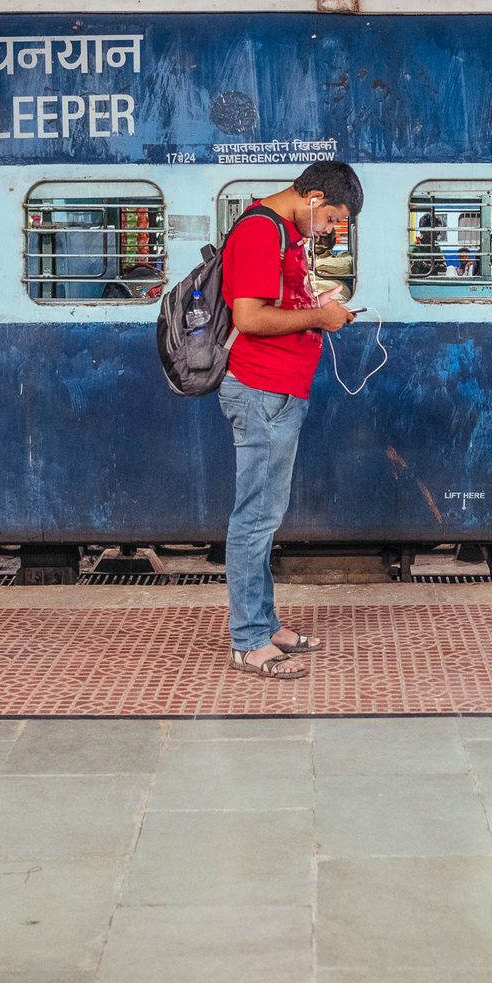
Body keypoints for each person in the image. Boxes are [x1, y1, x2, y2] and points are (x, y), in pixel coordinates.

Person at [218, 161, 363, 679]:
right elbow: (250, 317)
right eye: (331, 219)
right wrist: (319, 317)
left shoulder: (283, 232)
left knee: (266, 515)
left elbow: (275, 302)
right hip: (262, 392)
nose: (329, 230)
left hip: (277, 393)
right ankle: (248, 641)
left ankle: (264, 623)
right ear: (314, 197)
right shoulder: (261, 231)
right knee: (254, 518)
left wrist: (314, 303)